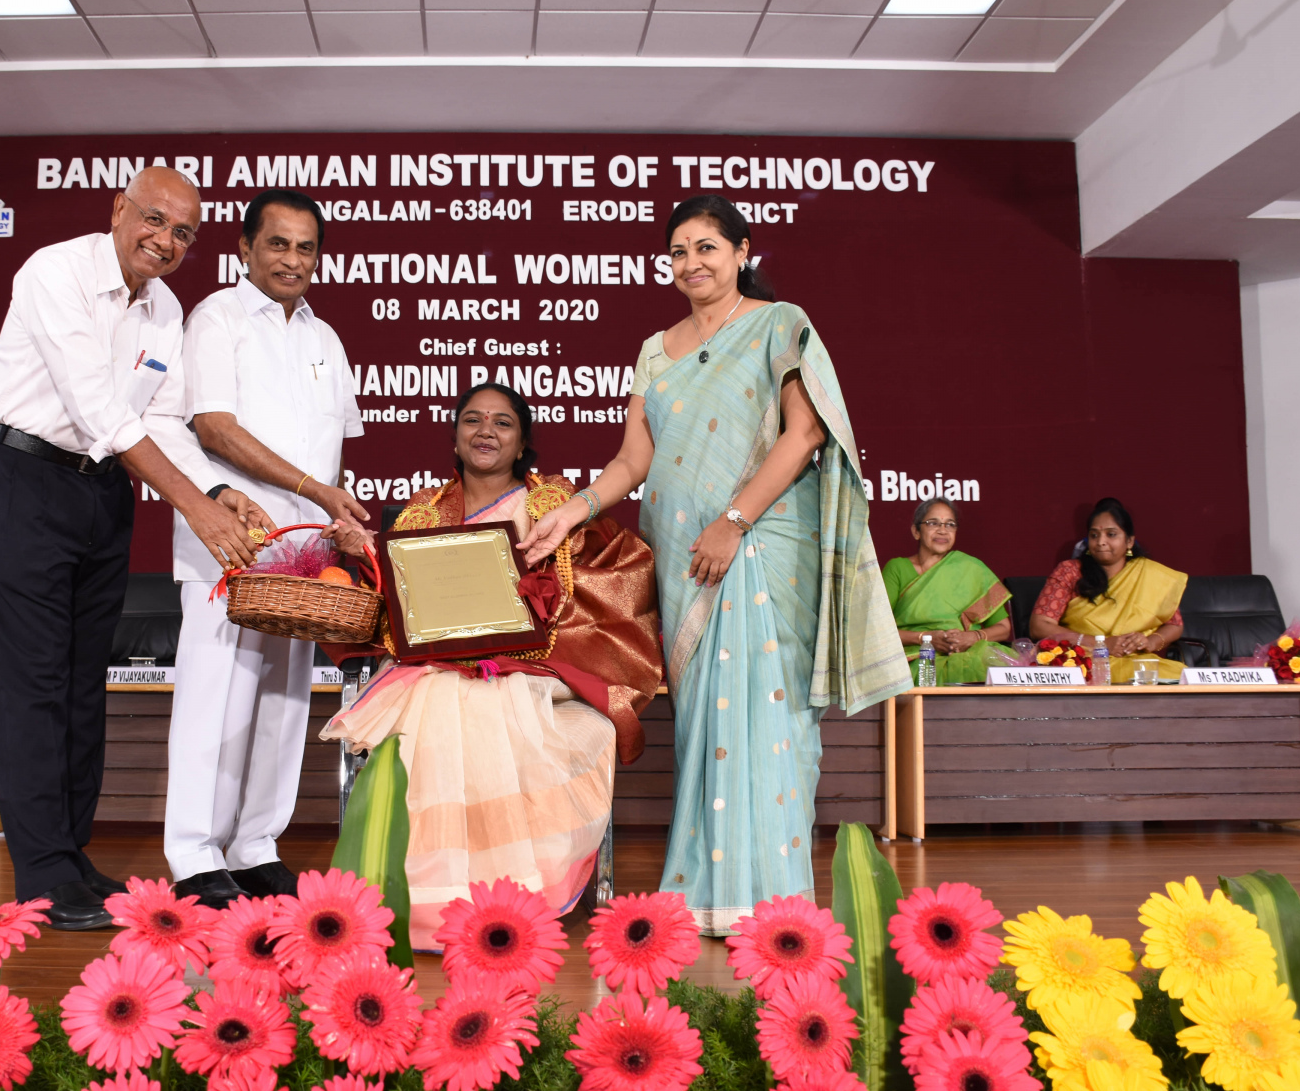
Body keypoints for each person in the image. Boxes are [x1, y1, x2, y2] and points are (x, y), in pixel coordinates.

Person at [520, 194, 910, 934]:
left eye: (706, 247)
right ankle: (706, 894)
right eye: (678, 251)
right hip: (681, 557)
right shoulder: (654, 350)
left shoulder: (778, 324)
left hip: (759, 548)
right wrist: (573, 511)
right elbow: (634, 460)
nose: (691, 263)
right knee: (705, 721)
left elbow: (803, 435)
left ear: (741, 252)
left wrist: (733, 523)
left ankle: (770, 903)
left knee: (767, 716)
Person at [0, 166, 270, 931]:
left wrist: (217, 489)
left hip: (100, 492)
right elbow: (98, 408)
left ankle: (69, 855)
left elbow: (161, 419)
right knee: (33, 681)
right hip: (23, 479)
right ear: (118, 209)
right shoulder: (56, 272)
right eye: (154, 219)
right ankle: (41, 871)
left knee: (80, 683)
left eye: (182, 233)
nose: (164, 240)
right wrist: (193, 506)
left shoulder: (163, 309)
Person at [320, 382, 661, 945]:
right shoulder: (422, 513)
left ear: (523, 442)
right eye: (473, 420)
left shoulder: (555, 504)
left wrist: (533, 611)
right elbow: (397, 605)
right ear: (455, 438)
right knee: (445, 696)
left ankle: (510, 896)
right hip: (436, 667)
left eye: (503, 423)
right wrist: (365, 552)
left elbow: (606, 583)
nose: (486, 431)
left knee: (482, 699)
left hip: (537, 666)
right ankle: (428, 900)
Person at [166, 188, 367, 908]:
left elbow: (330, 446)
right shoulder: (216, 318)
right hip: (230, 541)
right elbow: (214, 428)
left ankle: (255, 845)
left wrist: (332, 520)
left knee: (283, 703)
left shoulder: (325, 338)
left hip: (305, 556)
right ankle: (193, 852)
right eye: (277, 244)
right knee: (214, 700)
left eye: (306, 247)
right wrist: (315, 488)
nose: (292, 260)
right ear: (245, 248)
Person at [1029, 497, 1186, 683]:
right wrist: (1101, 645)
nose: (1101, 542)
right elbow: (1040, 625)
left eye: (1111, 534)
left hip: (1134, 660)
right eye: (1094, 535)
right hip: (1083, 661)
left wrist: (1150, 642)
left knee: (1181, 676)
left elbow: (1175, 624)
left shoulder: (1150, 575)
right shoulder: (1070, 571)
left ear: (1129, 541)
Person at [882, 497, 1012, 684]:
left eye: (950, 524)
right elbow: (878, 632)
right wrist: (926, 639)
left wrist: (973, 637)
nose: (943, 530)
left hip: (968, 653)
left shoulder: (972, 569)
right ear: (916, 531)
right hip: (918, 656)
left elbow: (1003, 628)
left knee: (997, 666)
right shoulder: (898, 568)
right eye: (933, 523)